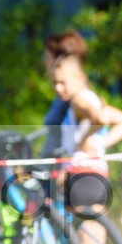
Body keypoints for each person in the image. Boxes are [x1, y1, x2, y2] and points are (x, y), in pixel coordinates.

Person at [49, 55, 122, 244]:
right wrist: (98, 145)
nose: (58, 88)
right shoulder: (94, 98)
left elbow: (99, 119)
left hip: (82, 178)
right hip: (99, 178)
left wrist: (83, 142)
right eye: (55, 83)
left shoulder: (79, 99)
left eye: (62, 82)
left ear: (79, 78)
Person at [41, 30, 89, 158]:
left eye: (47, 56)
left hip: (67, 168)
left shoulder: (76, 97)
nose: (44, 62)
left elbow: (101, 117)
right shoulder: (64, 95)